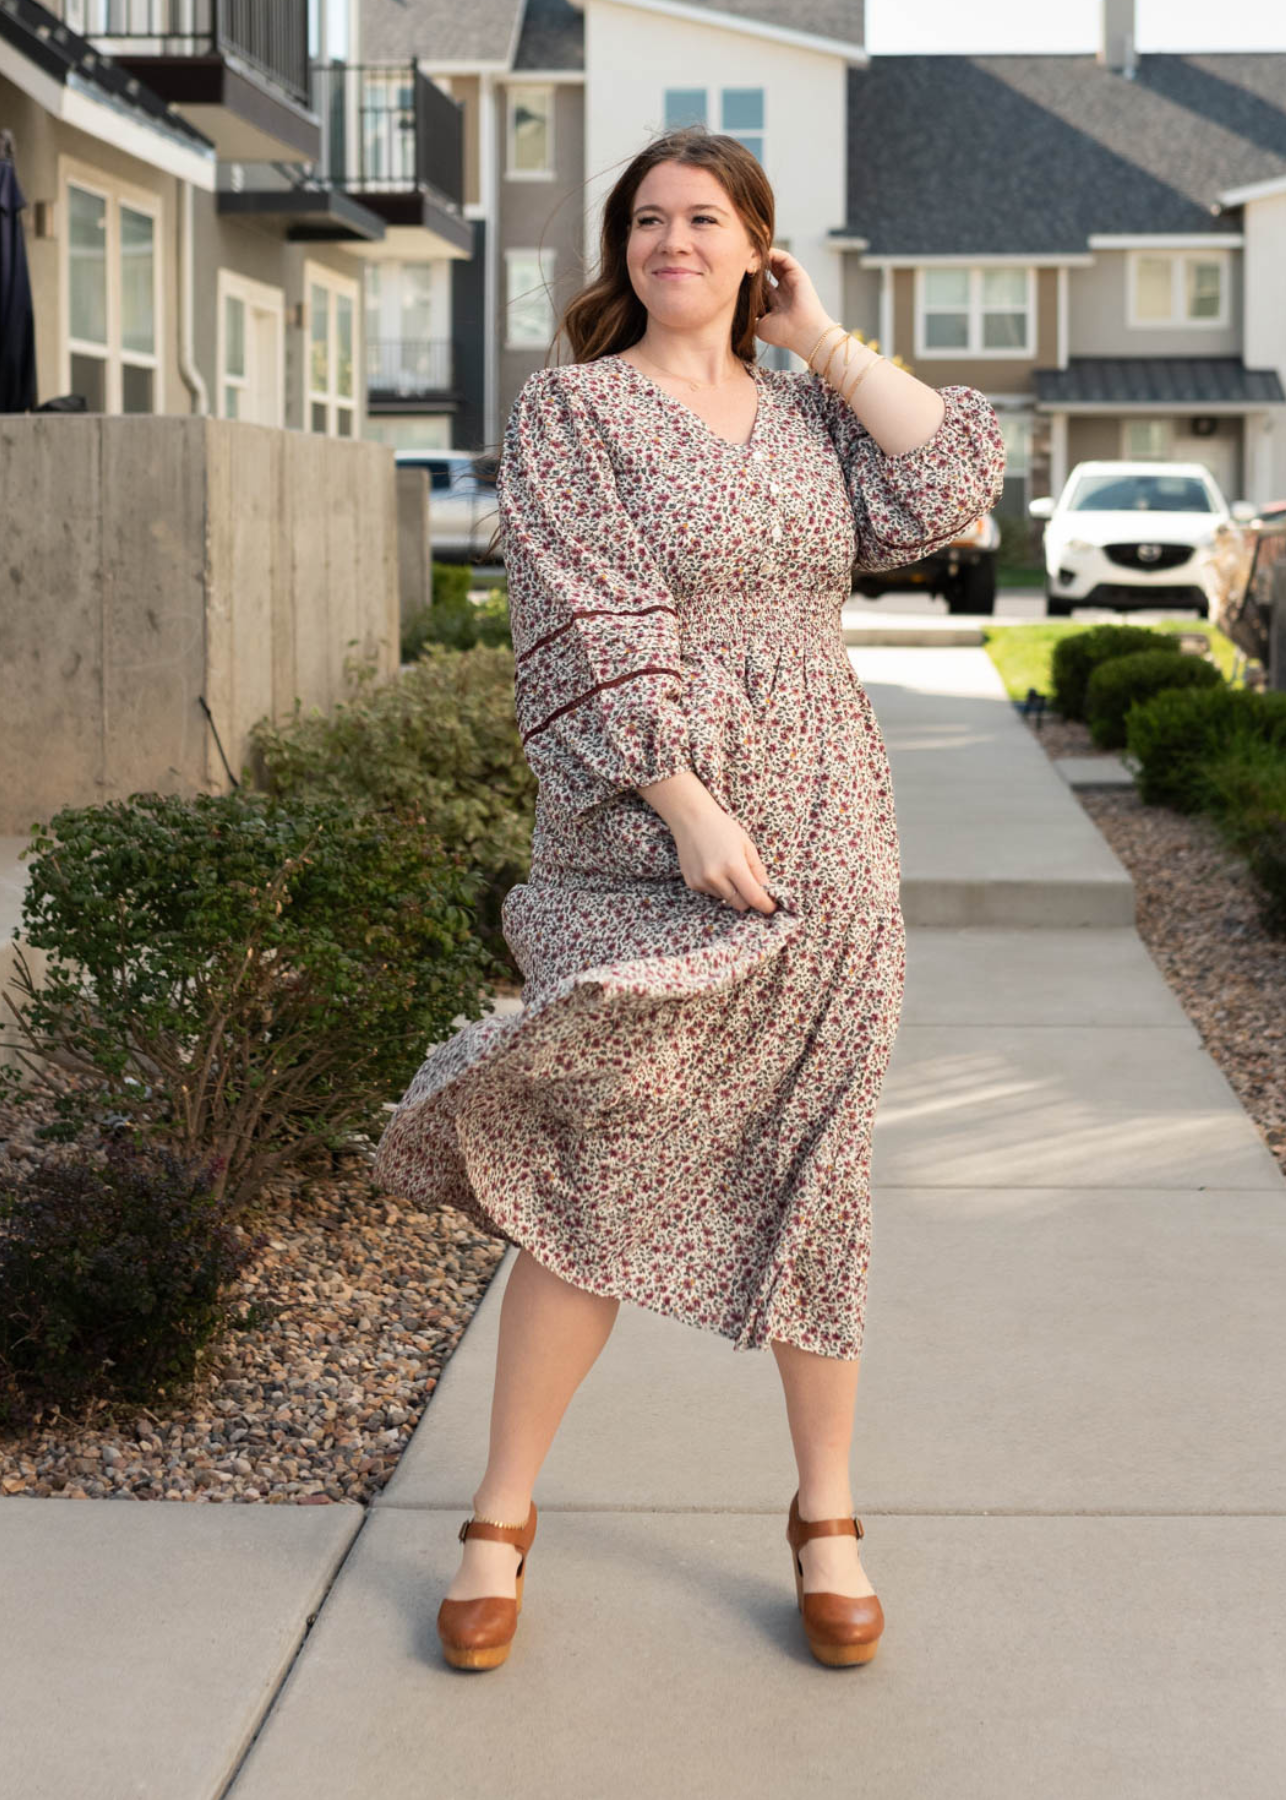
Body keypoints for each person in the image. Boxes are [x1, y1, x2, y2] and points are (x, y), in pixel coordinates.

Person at [372, 125, 1006, 1671]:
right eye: (646, 221)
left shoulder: (809, 417)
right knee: (598, 1153)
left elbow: (951, 478)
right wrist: (681, 800)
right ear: (620, 249)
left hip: (827, 811)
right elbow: (582, 609)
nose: (671, 242)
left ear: (753, 245)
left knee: (817, 1156)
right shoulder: (575, 408)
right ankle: (500, 1515)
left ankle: (826, 1515)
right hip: (642, 814)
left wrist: (818, 335)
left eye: (703, 220)